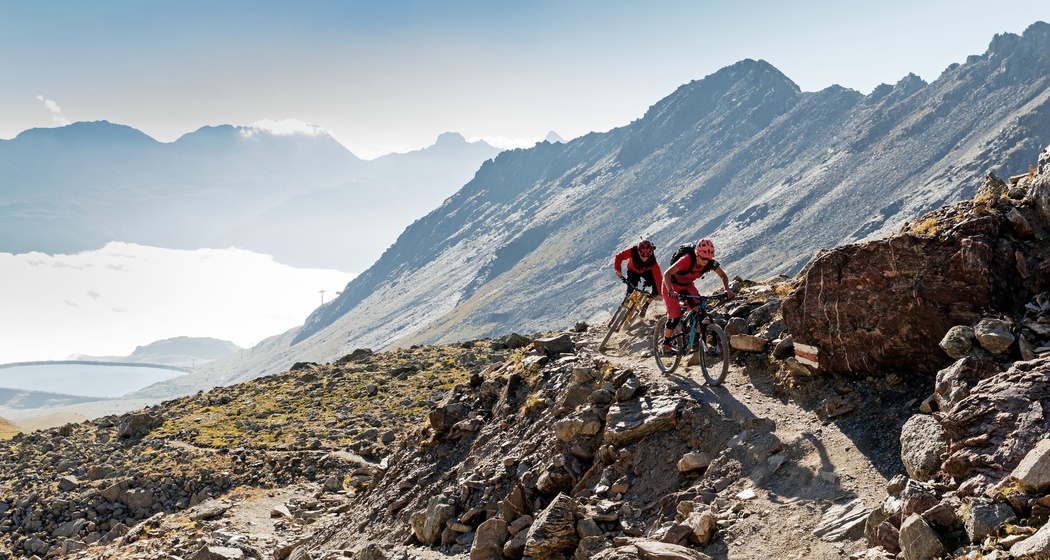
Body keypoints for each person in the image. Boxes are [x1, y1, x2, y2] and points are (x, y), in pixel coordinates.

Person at [660, 238, 734, 355]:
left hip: (688, 286)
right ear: (697, 254)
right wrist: (670, 290)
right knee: (675, 316)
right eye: (703, 258)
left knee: (699, 311)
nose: (705, 261)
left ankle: (694, 341)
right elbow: (667, 274)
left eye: (708, 258)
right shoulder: (686, 260)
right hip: (671, 285)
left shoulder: (710, 263)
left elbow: (723, 275)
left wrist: (727, 289)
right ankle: (665, 344)